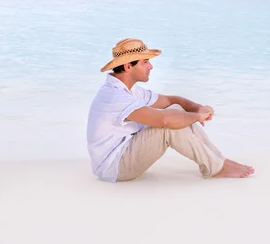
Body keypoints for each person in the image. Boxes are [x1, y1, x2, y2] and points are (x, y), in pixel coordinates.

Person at [86, 38, 254, 183]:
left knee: (175, 110)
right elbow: (165, 121)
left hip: (124, 152)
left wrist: (197, 108)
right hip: (114, 167)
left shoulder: (131, 90)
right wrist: (196, 116)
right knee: (168, 127)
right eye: (145, 62)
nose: (150, 66)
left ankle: (218, 161)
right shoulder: (115, 96)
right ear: (129, 66)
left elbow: (171, 101)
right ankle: (216, 167)